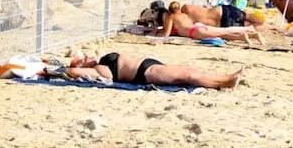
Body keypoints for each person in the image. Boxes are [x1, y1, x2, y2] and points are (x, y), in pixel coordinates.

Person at [63, 53, 242, 90]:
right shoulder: (99, 69)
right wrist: (66, 69)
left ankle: (226, 77)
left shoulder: (101, 62)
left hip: (148, 63)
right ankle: (224, 84)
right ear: (81, 67)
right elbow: (72, 71)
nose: (86, 56)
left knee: (189, 70)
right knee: (187, 76)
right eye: (82, 59)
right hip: (144, 72)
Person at [149, 3, 264, 44]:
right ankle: (252, 32)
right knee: (245, 17)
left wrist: (155, 32)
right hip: (219, 11)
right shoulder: (186, 13)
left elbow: (166, 34)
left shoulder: (172, 17)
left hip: (198, 30)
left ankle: (250, 32)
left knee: (223, 33)